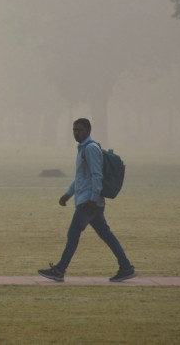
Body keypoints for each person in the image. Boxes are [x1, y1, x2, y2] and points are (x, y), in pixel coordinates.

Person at [38, 118, 136, 282]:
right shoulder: (83, 149)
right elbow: (81, 177)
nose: (76, 133)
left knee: (73, 234)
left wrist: (93, 199)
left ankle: (60, 270)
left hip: (89, 202)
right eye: (74, 130)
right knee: (107, 235)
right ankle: (126, 267)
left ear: (88, 131)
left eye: (80, 130)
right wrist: (68, 194)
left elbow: (96, 175)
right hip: (88, 200)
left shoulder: (90, 149)